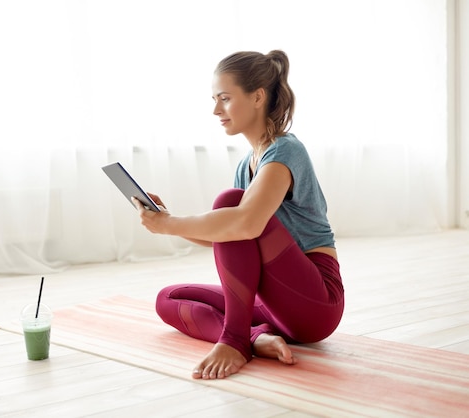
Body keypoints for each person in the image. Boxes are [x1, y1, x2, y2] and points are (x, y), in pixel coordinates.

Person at [132, 50, 344, 380]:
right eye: (215, 100)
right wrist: (166, 221)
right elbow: (226, 234)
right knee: (168, 298)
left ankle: (234, 339)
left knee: (231, 203)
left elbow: (245, 223)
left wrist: (169, 224)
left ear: (257, 96)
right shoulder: (247, 164)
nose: (216, 110)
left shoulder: (286, 150)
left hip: (315, 302)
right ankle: (255, 338)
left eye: (225, 99)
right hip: (272, 303)